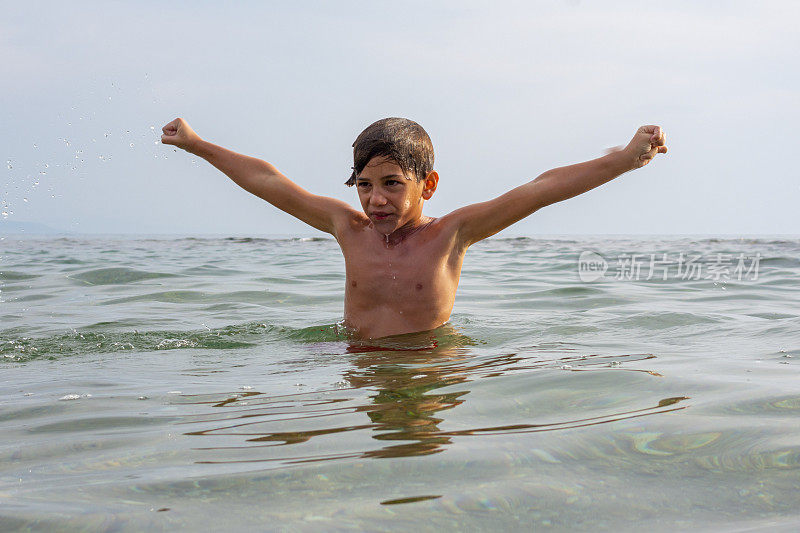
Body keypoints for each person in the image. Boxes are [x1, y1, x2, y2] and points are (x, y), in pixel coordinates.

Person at [161, 117, 667, 339]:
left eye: (392, 184)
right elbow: (270, 182)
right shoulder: (348, 228)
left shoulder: (452, 234)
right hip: (354, 358)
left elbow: (542, 188)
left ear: (428, 184)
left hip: (426, 363)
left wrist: (624, 159)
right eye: (363, 184)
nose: (375, 199)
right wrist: (197, 144)